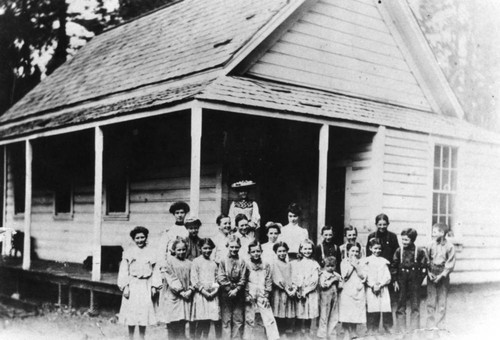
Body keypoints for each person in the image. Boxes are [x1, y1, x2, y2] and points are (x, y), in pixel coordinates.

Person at [117, 226, 160, 340]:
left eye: (142, 237)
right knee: (131, 312)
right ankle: (130, 337)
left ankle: (142, 337)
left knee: (144, 312)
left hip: (146, 284)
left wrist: (154, 286)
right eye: (137, 238)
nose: (140, 240)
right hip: (133, 284)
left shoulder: (151, 251)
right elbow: (123, 270)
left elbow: (156, 270)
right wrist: (125, 287)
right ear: (133, 239)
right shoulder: (129, 252)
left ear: (146, 238)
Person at [366, 214, 399, 332]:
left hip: (387, 273)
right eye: (379, 224)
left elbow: (396, 256)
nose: (382, 227)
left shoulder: (392, 237)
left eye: (384, 224)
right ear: (376, 225)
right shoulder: (371, 236)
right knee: (372, 301)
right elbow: (367, 257)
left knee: (386, 301)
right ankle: (372, 327)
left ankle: (387, 326)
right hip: (373, 273)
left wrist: (394, 276)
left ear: (388, 224)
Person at [392, 228, 428, 332]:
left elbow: (424, 266)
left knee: (415, 305)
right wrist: (395, 280)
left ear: (412, 240)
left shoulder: (420, 251)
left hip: (414, 281)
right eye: (402, 240)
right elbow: (394, 265)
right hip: (401, 280)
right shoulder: (399, 251)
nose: (404, 242)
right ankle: (401, 330)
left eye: (406, 240)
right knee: (400, 304)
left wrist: (419, 280)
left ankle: (414, 330)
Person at [244, 241, 280, 340]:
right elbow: (244, 280)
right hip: (250, 293)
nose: (256, 253)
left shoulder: (266, 264)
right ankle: (247, 338)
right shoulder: (246, 264)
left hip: (262, 293)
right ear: (249, 253)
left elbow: (268, 280)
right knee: (249, 319)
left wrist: (267, 294)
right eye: (253, 252)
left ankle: (273, 338)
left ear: (261, 251)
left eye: (258, 251)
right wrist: (246, 294)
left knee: (269, 318)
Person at [158, 237, 193, 340]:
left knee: (182, 322)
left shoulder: (189, 263)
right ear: (174, 250)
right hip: (173, 296)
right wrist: (180, 291)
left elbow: (193, 278)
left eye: (183, 249)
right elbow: (171, 278)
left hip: (185, 296)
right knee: (172, 323)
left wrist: (190, 290)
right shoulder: (169, 262)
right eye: (179, 250)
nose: (181, 252)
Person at [217, 235, 247, 340]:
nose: (234, 249)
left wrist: (236, 290)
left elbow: (243, 278)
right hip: (226, 293)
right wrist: (229, 289)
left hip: (238, 293)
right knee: (226, 319)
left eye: (236, 247)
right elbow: (221, 277)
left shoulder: (242, 261)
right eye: (232, 247)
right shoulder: (223, 261)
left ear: (239, 247)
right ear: (228, 246)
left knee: (238, 318)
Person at [426, 222, 456, 330]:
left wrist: (442, 275)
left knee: (442, 301)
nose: (433, 234)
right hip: (431, 273)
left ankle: (440, 325)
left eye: (435, 232)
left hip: (443, 273)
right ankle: (430, 325)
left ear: (442, 233)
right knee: (431, 301)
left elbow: (450, 263)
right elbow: (427, 260)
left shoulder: (450, 247)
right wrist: (429, 273)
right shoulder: (430, 245)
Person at [190, 238, 220, 339]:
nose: (207, 250)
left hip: (212, 295)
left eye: (209, 248)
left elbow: (217, 279)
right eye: (205, 248)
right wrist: (204, 291)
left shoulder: (214, 264)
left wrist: (215, 291)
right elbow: (194, 279)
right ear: (200, 248)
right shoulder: (196, 262)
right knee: (201, 320)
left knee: (208, 320)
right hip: (201, 295)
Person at [292, 239, 320, 338]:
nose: (307, 251)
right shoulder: (296, 263)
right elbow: (294, 278)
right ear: (300, 250)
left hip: (310, 292)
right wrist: (297, 290)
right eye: (305, 249)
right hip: (299, 292)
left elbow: (314, 280)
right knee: (299, 313)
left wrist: (306, 291)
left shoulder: (314, 264)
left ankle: (308, 333)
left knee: (309, 314)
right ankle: (299, 334)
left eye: (309, 249)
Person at [339, 243, 366, 340]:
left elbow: (363, 276)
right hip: (347, 289)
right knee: (346, 310)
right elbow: (345, 275)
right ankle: (346, 332)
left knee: (356, 310)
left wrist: (357, 266)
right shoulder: (344, 262)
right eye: (352, 251)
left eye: (356, 251)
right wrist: (352, 265)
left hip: (358, 288)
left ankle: (353, 331)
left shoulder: (362, 262)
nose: (354, 253)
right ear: (348, 252)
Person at [365, 238, 392, 335]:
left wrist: (380, 284)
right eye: (375, 248)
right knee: (372, 309)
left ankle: (381, 329)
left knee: (382, 308)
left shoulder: (384, 261)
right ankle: (371, 329)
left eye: (379, 249)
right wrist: (373, 285)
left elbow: (387, 276)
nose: (377, 251)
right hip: (371, 289)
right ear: (370, 248)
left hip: (382, 288)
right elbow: (366, 275)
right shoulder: (367, 261)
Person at [270, 241, 296, 337]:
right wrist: (286, 290)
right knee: (278, 312)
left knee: (285, 312)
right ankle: (279, 334)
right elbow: (277, 278)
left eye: (284, 251)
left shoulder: (288, 264)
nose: (282, 253)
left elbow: (291, 277)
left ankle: (283, 332)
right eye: (279, 251)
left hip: (288, 291)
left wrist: (292, 289)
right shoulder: (274, 263)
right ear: (275, 252)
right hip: (279, 292)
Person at [317, 256, 342, 340]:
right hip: (325, 297)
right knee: (324, 315)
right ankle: (322, 335)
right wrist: (332, 280)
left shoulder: (336, 274)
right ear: (324, 265)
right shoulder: (323, 274)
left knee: (334, 315)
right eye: (328, 266)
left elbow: (341, 285)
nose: (330, 268)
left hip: (334, 296)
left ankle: (332, 334)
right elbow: (324, 285)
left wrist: (337, 280)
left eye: (332, 266)